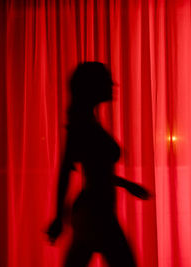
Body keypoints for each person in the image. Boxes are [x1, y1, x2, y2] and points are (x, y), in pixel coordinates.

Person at [46, 62, 150, 267]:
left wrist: (127, 185)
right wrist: (58, 217)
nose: (113, 84)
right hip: (96, 212)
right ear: (92, 86)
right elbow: (66, 171)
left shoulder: (85, 121)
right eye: (106, 80)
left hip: (93, 210)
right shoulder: (82, 124)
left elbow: (94, 172)